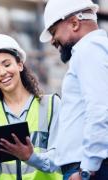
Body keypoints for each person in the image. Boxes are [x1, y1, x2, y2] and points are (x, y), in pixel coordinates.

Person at [0, 33, 62, 180]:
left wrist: (31, 157)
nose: (2, 72)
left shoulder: (51, 105)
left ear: (20, 65)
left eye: (7, 64)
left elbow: (61, 158)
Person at [40, 0, 108, 179]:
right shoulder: (95, 50)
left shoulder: (89, 49)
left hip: (90, 169)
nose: (53, 40)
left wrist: (86, 170)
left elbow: (100, 109)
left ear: (75, 23)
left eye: (54, 32)